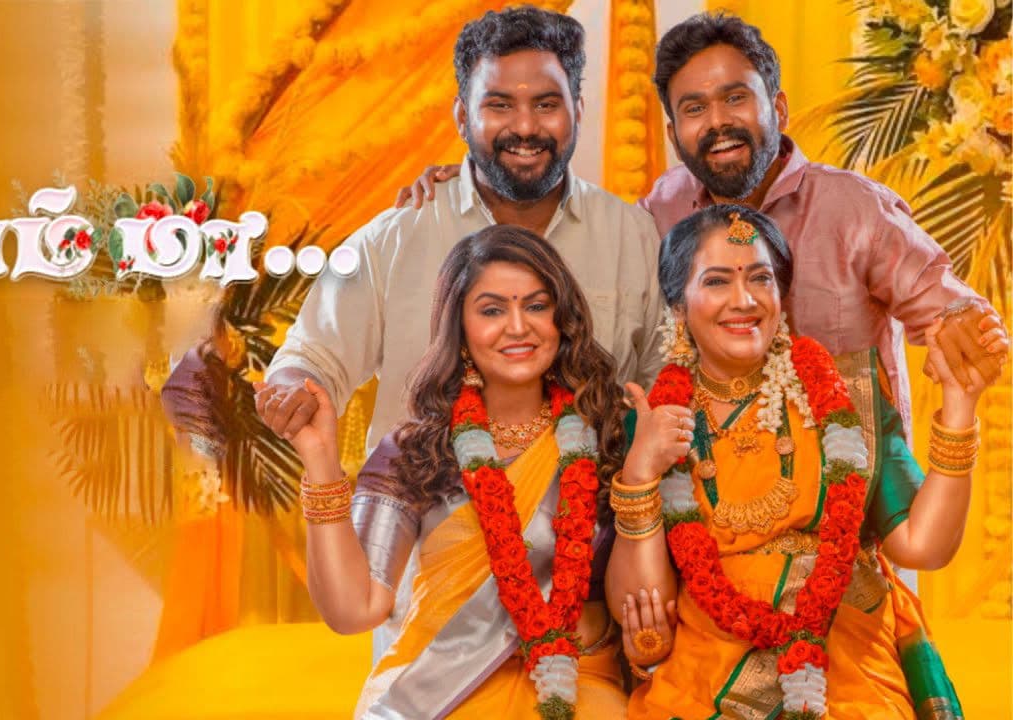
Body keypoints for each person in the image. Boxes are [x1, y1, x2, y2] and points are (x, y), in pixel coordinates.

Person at [393, 12, 1008, 436]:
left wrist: (961, 320)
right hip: (709, 522)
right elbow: (564, 258)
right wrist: (474, 177)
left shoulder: (854, 209)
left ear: (778, 107)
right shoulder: (659, 214)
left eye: (736, 98)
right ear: (673, 132)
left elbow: (946, 304)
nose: (718, 123)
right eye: (694, 108)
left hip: (856, 521)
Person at [606, 204, 986, 718]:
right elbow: (644, 609)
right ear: (678, 305)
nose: (744, 300)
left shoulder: (845, 397)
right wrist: (640, 473)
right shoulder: (658, 421)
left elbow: (922, 545)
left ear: (781, 296)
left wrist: (959, 408)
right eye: (717, 281)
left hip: (847, 653)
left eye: (760, 278)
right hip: (709, 664)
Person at [258, 6, 664, 463]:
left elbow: (667, 382)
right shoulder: (395, 236)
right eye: (499, 105)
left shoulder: (632, 238)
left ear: (578, 112)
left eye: (546, 105)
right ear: (462, 116)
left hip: (593, 506)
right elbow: (312, 357)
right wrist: (293, 391)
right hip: (418, 503)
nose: (525, 127)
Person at [259, 224, 630, 718]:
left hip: (580, 681)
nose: (518, 326)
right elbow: (354, 610)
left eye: (537, 306)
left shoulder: (609, 436)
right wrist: (321, 460)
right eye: (492, 310)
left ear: (562, 319)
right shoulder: (417, 449)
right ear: (460, 329)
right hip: (439, 694)